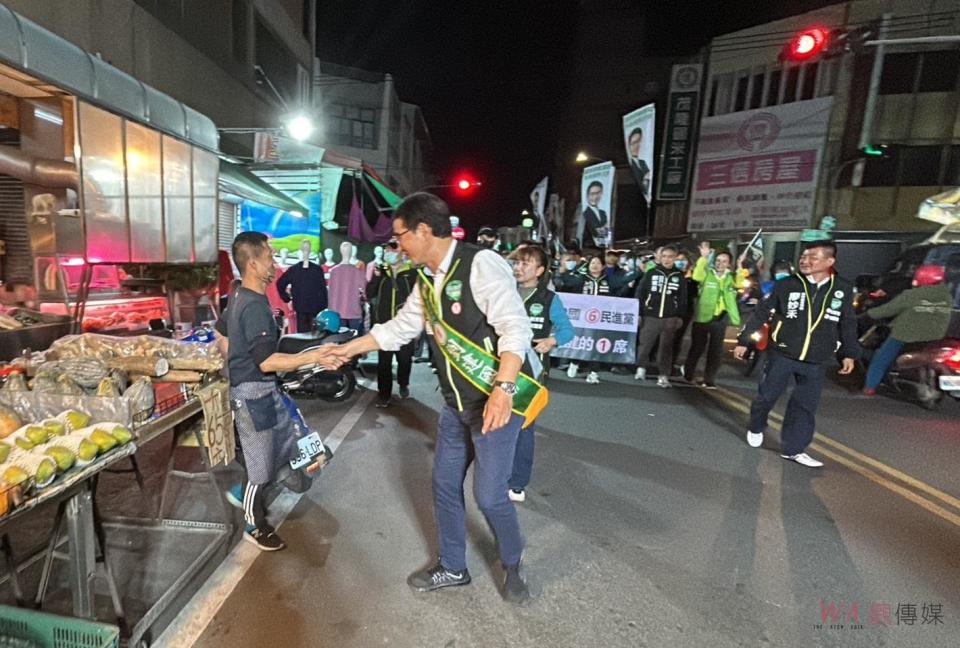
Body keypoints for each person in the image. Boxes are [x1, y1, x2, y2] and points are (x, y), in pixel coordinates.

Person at [331, 192, 539, 604]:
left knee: (489, 495)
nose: (397, 246)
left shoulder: (480, 265)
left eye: (400, 237)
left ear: (424, 231)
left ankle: (512, 562)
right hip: (457, 403)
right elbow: (400, 328)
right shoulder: (425, 281)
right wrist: (347, 349)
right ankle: (453, 565)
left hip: (497, 398)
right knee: (444, 484)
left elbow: (516, 328)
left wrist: (504, 390)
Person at [215, 232, 343, 551]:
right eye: (270, 257)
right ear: (254, 264)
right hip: (253, 397)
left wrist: (234, 364)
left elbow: (221, 336)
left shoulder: (241, 296)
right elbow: (268, 361)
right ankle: (253, 525)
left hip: (261, 392)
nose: (274, 263)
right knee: (260, 468)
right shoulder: (254, 305)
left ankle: (246, 492)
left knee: (284, 451)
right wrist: (315, 355)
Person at [734, 241, 860, 468]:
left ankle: (794, 449)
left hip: (817, 358)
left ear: (829, 262)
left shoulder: (841, 288)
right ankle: (756, 425)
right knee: (767, 396)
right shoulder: (787, 285)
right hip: (783, 353)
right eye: (803, 257)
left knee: (805, 406)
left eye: (813, 257)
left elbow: (847, 324)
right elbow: (762, 312)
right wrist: (744, 340)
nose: (805, 261)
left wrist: (848, 353)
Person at [508, 245, 574, 503]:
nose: (519, 268)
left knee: (523, 427)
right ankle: (495, 473)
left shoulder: (549, 299)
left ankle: (517, 482)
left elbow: (567, 331)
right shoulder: (503, 293)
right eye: (517, 263)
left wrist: (551, 341)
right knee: (496, 421)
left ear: (540, 270)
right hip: (499, 368)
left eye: (526, 264)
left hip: (530, 374)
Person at [862, 269, 953, 395]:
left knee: (882, 358)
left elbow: (888, 309)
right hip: (936, 335)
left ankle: (870, 386)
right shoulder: (946, 296)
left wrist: (868, 314)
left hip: (906, 334)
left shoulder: (913, 294)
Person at [682, 242, 741, 388]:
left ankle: (709, 379)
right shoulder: (707, 274)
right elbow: (696, 276)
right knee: (697, 347)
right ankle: (688, 375)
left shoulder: (730, 278)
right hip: (702, 317)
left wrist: (740, 267)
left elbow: (739, 283)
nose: (721, 264)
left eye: (724, 261)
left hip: (720, 317)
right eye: (718, 260)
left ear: (729, 264)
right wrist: (703, 258)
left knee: (716, 350)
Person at [368, 241, 416, 407]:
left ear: (403, 251)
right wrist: (375, 277)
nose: (388, 251)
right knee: (384, 363)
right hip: (384, 326)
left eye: (392, 248)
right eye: (386, 249)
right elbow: (369, 294)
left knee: (404, 359)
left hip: (405, 327)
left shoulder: (412, 274)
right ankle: (384, 395)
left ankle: (403, 383)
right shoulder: (381, 273)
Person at [634, 245, 687, 387]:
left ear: (675, 258)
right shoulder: (651, 273)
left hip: (670, 317)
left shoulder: (679, 276)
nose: (667, 259)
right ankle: (641, 367)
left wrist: (680, 316)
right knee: (645, 343)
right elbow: (640, 293)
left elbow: (683, 298)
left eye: (670, 257)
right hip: (651, 315)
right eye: (664, 256)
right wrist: (639, 312)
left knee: (666, 347)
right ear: (659, 257)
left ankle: (663, 375)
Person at [565, 255, 614, 384]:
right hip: (583, 317)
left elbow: (619, 291)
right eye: (592, 263)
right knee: (583, 341)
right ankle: (575, 362)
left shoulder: (608, 280)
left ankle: (593, 372)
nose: (595, 265)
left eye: (598, 263)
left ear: (603, 266)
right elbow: (567, 282)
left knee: (597, 344)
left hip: (601, 318)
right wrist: (576, 267)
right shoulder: (582, 278)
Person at [276, 239, 328, 334]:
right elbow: (323, 291)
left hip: (304, 307)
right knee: (311, 335)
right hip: (310, 308)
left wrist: (287, 298)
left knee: (304, 335)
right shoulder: (315, 270)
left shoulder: (295, 270)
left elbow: (280, 284)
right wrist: (287, 299)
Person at [582, 181, 609, 248]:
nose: (595, 197)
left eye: (598, 193)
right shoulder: (584, 214)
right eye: (592, 194)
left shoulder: (603, 213)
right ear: (587, 195)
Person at [626, 127, 651, 198]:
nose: (637, 145)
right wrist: (646, 179)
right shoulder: (629, 164)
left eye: (639, 141)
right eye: (634, 143)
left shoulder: (643, 162)